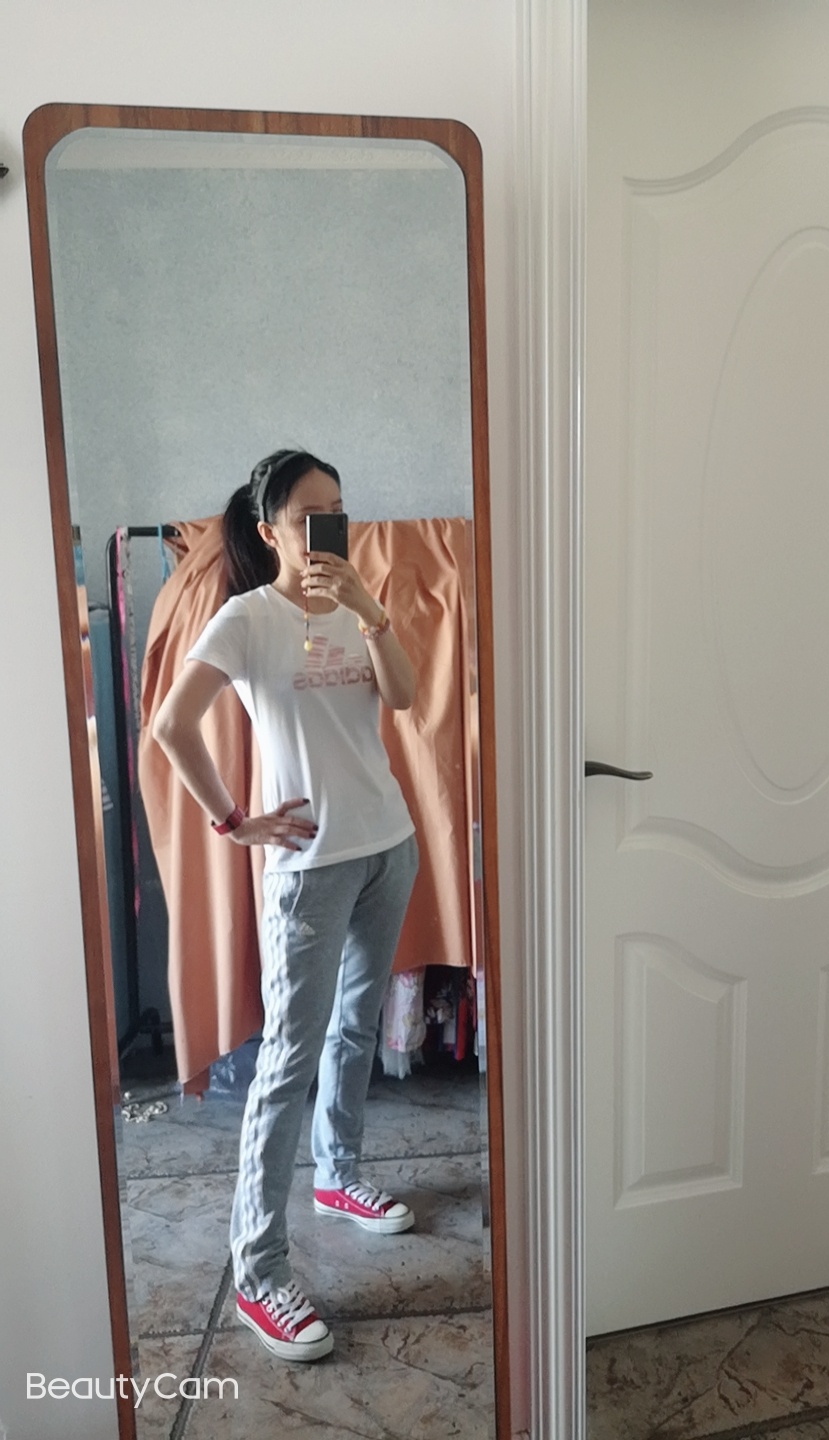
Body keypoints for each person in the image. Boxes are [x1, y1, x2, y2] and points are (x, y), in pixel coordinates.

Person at [152, 449, 420, 1362]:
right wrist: (234, 821)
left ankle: (339, 1175)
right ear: (270, 531)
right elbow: (171, 725)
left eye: (339, 509)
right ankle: (259, 1271)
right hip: (309, 868)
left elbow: (404, 697)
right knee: (288, 1061)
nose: (329, 527)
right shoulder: (247, 619)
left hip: (389, 846)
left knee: (357, 1026)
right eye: (311, 516)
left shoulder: (357, 605)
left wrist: (370, 610)